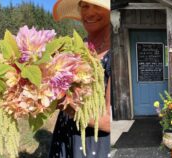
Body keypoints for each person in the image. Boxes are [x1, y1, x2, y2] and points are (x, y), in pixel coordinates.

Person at [49, 0, 111, 158]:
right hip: (66, 133)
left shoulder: (116, 53)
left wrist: (63, 103)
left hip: (92, 143)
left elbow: (108, 121)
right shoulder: (75, 46)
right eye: (84, 6)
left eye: (97, 5)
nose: (90, 12)